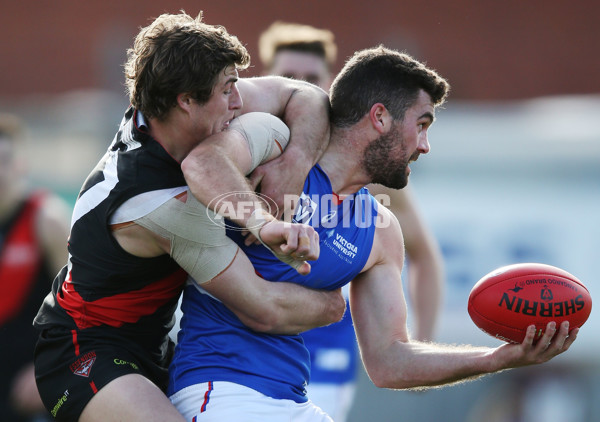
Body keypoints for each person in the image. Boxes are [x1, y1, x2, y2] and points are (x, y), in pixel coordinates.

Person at [167, 46, 578, 422]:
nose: (426, 145)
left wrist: (496, 359)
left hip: (294, 402)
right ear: (380, 117)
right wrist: (262, 220)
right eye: (421, 124)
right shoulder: (279, 148)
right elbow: (202, 165)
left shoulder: (381, 229)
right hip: (221, 391)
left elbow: (389, 361)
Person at [32, 11, 346, 422]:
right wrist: (337, 300)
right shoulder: (158, 201)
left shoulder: (181, 113)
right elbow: (264, 309)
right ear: (186, 101)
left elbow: (304, 96)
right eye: (228, 90)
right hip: (86, 348)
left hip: (158, 345)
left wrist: (295, 163)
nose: (239, 101)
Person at [258, 21, 444, 420]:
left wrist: (420, 344)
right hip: (236, 355)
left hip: (324, 358)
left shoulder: (373, 177)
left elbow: (424, 256)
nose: (301, 86)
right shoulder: (256, 148)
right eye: (288, 77)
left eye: (312, 78)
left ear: (330, 83)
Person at [0, 113, 71, 422]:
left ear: (20, 165)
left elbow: (80, 309)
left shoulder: (47, 219)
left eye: (3, 160)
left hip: (33, 388)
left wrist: (46, 369)